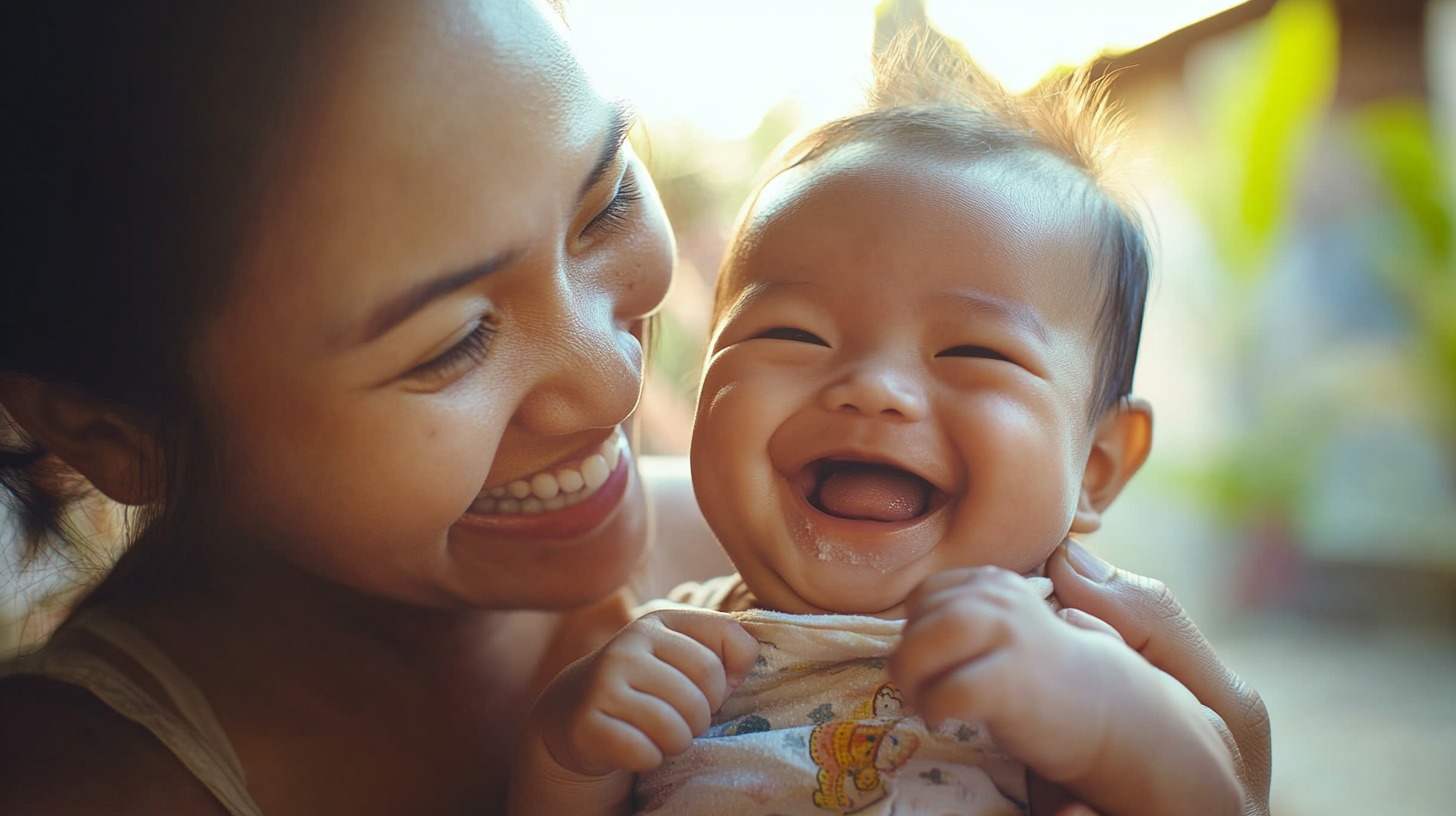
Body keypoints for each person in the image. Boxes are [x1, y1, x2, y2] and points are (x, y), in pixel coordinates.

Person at [0, 2, 1269, 815]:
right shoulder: (86, 780)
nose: (617, 383)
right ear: (107, 431)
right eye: (453, 341)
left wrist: (1168, 759)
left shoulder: (969, 607)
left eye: (607, 199)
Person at [508, 32, 1253, 816]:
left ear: (1097, 465)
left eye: (973, 350)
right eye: (792, 335)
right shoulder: (671, 647)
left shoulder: (1064, 660)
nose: (874, 387)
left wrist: (1114, 720)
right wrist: (565, 756)